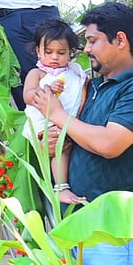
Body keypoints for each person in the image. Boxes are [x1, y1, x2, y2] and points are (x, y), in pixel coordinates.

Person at [31, 1, 133, 265]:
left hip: (117, 235)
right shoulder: (90, 88)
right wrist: (55, 140)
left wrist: (58, 116)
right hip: (78, 227)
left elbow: (109, 144)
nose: (87, 49)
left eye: (93, 40)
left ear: (120, 40)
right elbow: (79, 137)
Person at [22, 18, 85, 204]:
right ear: (38, 51)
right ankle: (61, 186)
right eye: (48, 52)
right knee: (61, 150)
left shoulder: (74, 74)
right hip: (45, 122)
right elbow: (28, 96)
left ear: (71, 53)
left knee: (67, 146)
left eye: (61, 52)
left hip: (68, 121)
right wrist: (47, 90)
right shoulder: (37, 74)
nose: (55, 57)